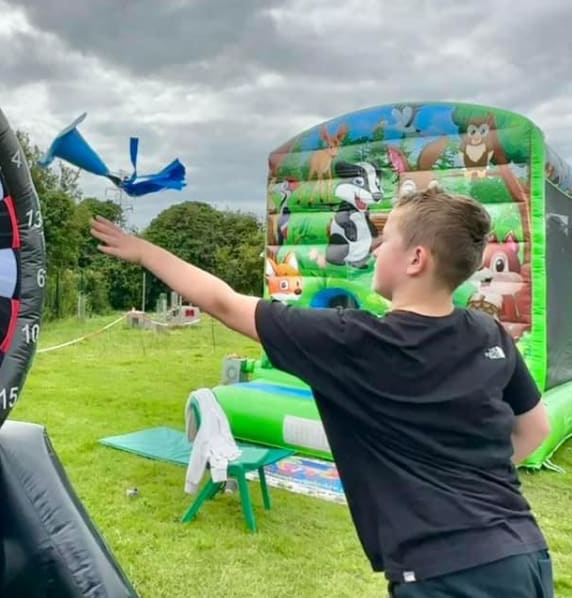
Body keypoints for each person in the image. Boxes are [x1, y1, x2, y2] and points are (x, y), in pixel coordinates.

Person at [90, 185, 554, 597]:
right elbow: (536, 428)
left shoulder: (356, 342)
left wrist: (145, 252)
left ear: (416, 259)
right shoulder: (488, 332)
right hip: (525, 553)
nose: (375, 249)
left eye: (387, 239)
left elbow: (224, 303)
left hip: (447, 574)